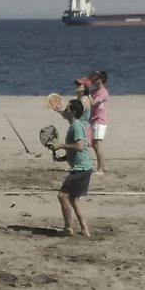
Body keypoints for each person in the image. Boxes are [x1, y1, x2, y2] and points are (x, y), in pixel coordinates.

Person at [52, 99, 93, 237]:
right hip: (84, 167)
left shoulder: (76, 126)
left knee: (62, 196)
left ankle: (68, 228)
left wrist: (61, 145)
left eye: (67, 109)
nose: (65, 111)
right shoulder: (75, 124)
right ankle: (85, 230)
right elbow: (75, 151)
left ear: (73, 112)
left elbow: (80, 147)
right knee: (73, 199)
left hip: (81, 169)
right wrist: (62, 158)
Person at [88, 71, 109, 174]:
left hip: (99, 120)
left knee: (98, 144)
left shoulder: (103, 92)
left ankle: (100, 168)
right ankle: (103, 166)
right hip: (93, 119)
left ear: (100, 80)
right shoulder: (94, 91)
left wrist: (87, 92)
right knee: (94, 144)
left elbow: (93, 103)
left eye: (95, 78)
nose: (92, 80)